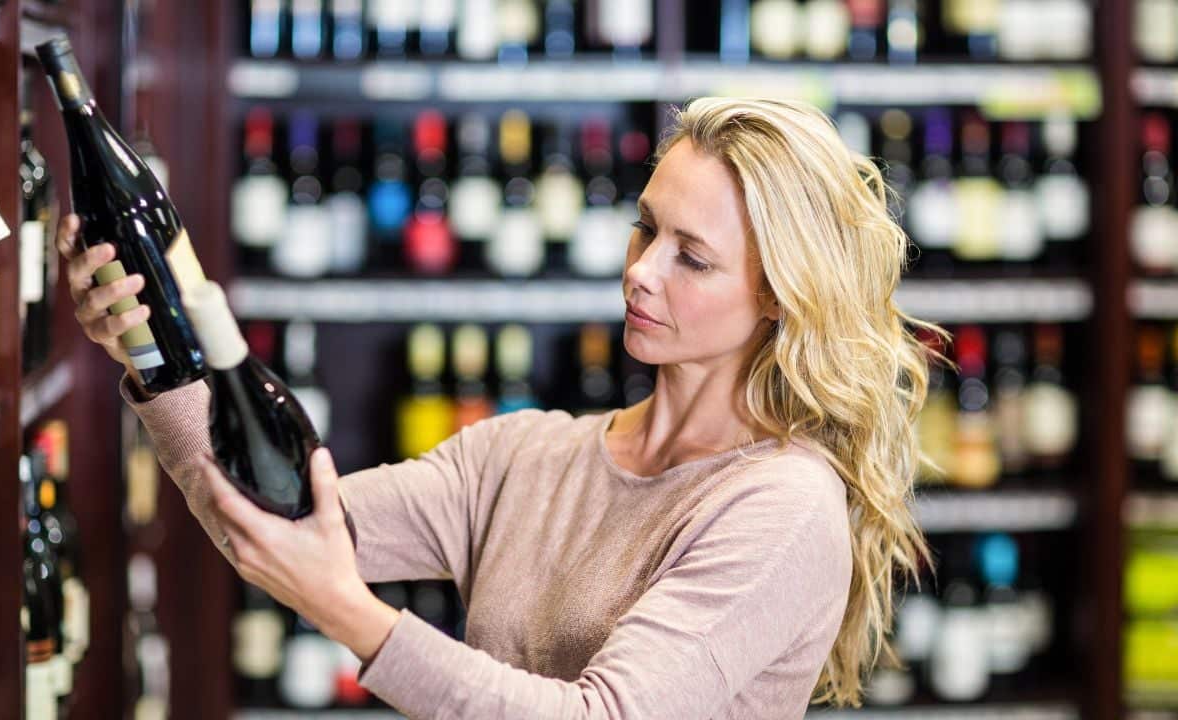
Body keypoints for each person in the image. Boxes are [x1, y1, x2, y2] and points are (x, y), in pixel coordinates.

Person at [56, 96, 941, 718]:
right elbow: (268, 518)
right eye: (645, 227)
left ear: (780, 295)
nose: (640, 269)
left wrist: (352, 617)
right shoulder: (526, 457)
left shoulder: (781, 507)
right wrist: (149, 351)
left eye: (692, 257)